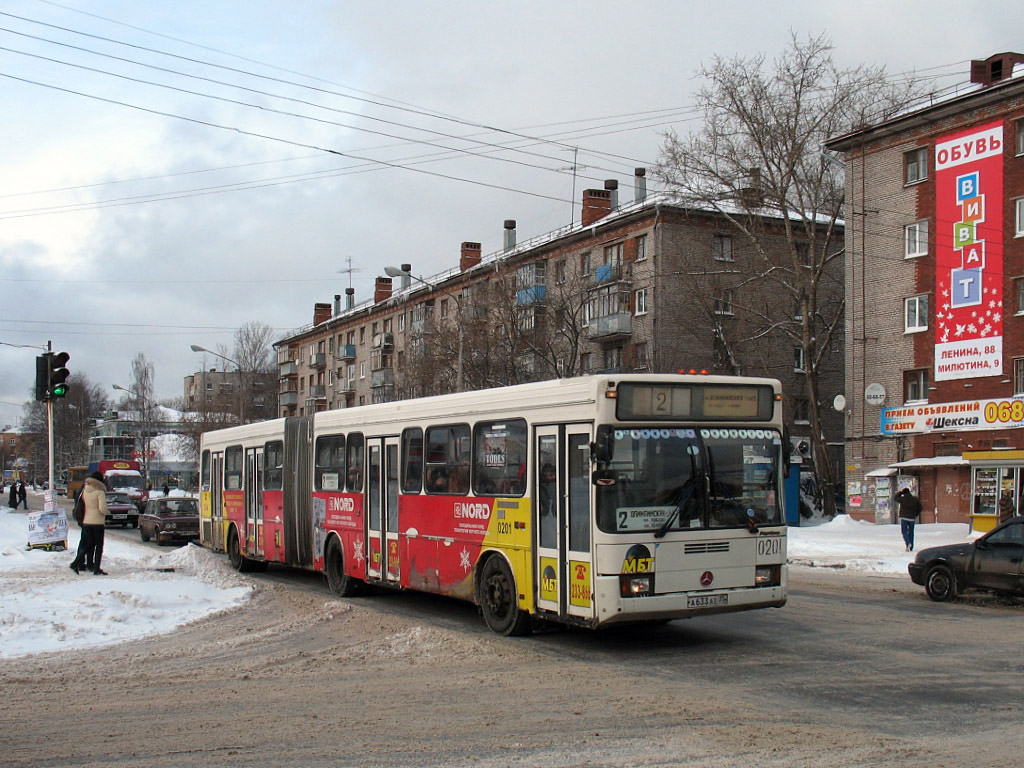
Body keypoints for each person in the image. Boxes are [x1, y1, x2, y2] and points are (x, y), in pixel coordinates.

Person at [69, 471, 109, 575]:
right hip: (97, 522)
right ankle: (96, 568)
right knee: (99, 546)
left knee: (88, 543)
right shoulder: (100, 492)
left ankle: (76, 562)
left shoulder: (85, 491)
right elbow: (102, 509)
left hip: (86, 521)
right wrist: (106, 511)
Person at [894, 487, 922, 552]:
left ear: (904, 493)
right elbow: (920, 508)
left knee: (904, 532)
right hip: (912, 518)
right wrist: (916, 514)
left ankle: (908, 542)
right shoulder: (915, 499)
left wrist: (899, 493)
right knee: (911, 532)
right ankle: (911, 546)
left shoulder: (903, 499)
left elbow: (895, 498)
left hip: (904, 518)